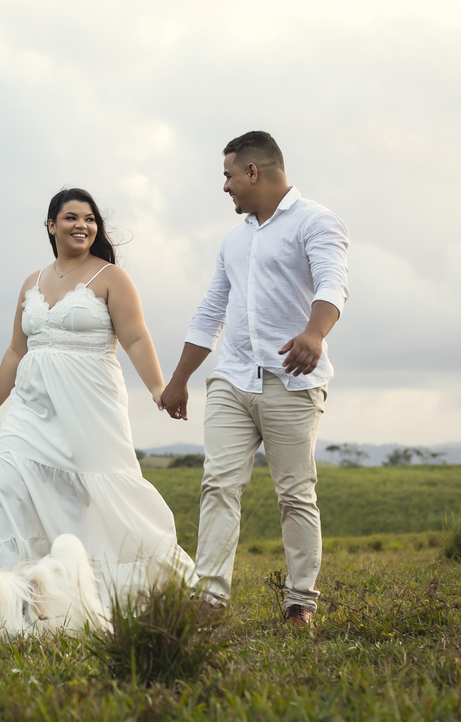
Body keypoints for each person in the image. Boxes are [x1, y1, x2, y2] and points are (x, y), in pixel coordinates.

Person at [161, 131, 349, 629]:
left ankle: (300, 602)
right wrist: (180, 379)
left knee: (295, 493)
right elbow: (211, 309)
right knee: (218, 484)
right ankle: (209, 601)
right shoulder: (234, 237)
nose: (224, 187)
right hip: (232, 379)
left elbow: (333, 284)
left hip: (291, 380)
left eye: (227, 175)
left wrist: (314, 332)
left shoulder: (316, 221)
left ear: (253, 171)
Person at [0, 187, 196, 606]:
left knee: (99, 495)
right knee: (8, 482)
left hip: (90, 404)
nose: (83, 225)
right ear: (51, 225)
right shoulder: (33, 281)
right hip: (31, 406)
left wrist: (157, 387)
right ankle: (18, 596)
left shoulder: (110, 277)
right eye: (71, 217)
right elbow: (16, 349)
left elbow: (134, 337)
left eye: (90, 219)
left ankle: (117, 592)